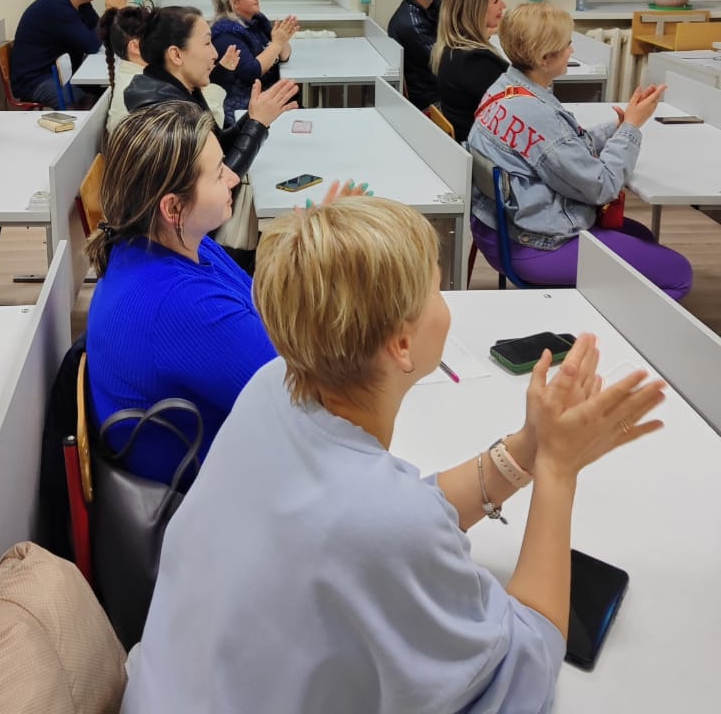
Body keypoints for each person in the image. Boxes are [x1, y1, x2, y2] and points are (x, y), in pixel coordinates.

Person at [122, 198, 666, 712]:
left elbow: (398, 516)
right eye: (436, 288)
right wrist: (558, 472)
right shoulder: (380, 518)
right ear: (401, 345)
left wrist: (527, 449)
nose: (445, 303)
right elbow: (526, 674)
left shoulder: (271, 388)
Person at [85, 101, 277, 483]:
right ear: (173, 207)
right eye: (218, 173)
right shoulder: (181, 305)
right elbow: (306, 398)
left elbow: (261, 303)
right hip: (215, 494)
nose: (232, 179)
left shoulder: (173, 241)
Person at [467, 2, 692, 298]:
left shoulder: (504, 88)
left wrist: (619, 125)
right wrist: (631, 129)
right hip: (533, 245)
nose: (571, 50)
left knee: (643, 237)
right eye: (566, 45)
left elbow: (562, 148)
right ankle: (602, 323)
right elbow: (602, 187)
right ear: (545, 58)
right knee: (678, 275)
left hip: (496, 230)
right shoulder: (537, 114)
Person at [124, 6, 297, 181]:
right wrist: (257, 124)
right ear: (176, 55)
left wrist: (253, 116)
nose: (215, 54)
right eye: (207, 43)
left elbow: (219, 144)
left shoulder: (181, 89)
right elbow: (220, 180)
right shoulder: (170, 115)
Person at [98, 1, 238, 133]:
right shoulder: (142, 92)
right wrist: (215, 82)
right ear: (135, 47)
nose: (160, 42)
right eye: (152, 37)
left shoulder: (148, 79)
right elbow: (207, 133)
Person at [10, 0, 128, 107]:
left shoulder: (81, 3)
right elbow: (91, 44)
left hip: (64, 73)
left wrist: (111, 16)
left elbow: (100, 33)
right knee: (87, 105)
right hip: (36, 80)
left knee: (111, 94)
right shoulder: (55, 6)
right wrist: (110, 13)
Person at [209, 0, 299, 121]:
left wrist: (281, 40)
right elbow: (251, 71)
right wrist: (277, 44)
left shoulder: (257, 20)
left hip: (267, 95)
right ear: (234, 3)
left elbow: (284, 55)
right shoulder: (225, 33)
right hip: (242, 107)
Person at [430, 0, 507, 141]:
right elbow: (520, 103)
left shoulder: (451, 49)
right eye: (496, 1)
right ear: (475, 10)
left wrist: (483, 34)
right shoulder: (476, 62)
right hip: (483, 148)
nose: (503, 5)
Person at [387, 0, 442, 111]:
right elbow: (442, 61)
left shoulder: (433, 5)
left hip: (442, 88)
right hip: (430, 102)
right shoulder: (410, 24)